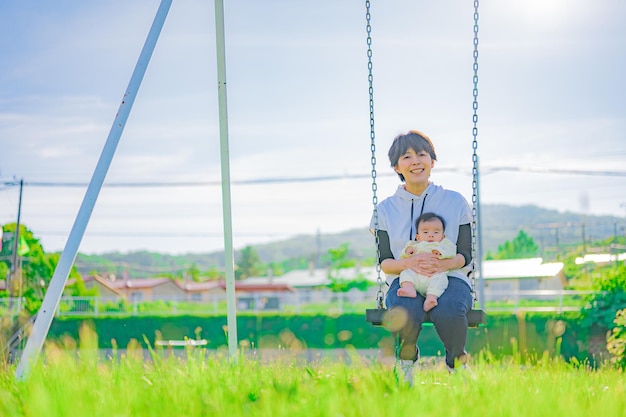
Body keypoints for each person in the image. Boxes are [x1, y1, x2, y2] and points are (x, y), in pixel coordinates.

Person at [370, 130, 473, 384]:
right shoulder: (385, 210)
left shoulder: (455, 202)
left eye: (422, 154)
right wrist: (410, 263)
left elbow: (466, 254)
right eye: (406, 156)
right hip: (405, 278)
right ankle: (406, 362)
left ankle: (456, 363)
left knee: (450, 309)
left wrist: (442, 263)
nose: (415, 161)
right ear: (397, 166)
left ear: (432, 162)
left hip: (450, 277)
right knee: (405, 309)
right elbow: (384, 261)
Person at [397, 212, 457, 313]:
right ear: (418, 237)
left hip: (434, 275)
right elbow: (403, 257)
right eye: (425, 232)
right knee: (405, 273)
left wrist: (441, 252)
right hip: (416, 276)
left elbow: (452, 251)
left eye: (436, 232)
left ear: (443, 236)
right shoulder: (414, 245)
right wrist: (407, 252)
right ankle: (409, 289)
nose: (430, 236)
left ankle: (431, 298)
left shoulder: (443, 245)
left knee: (441, 279)